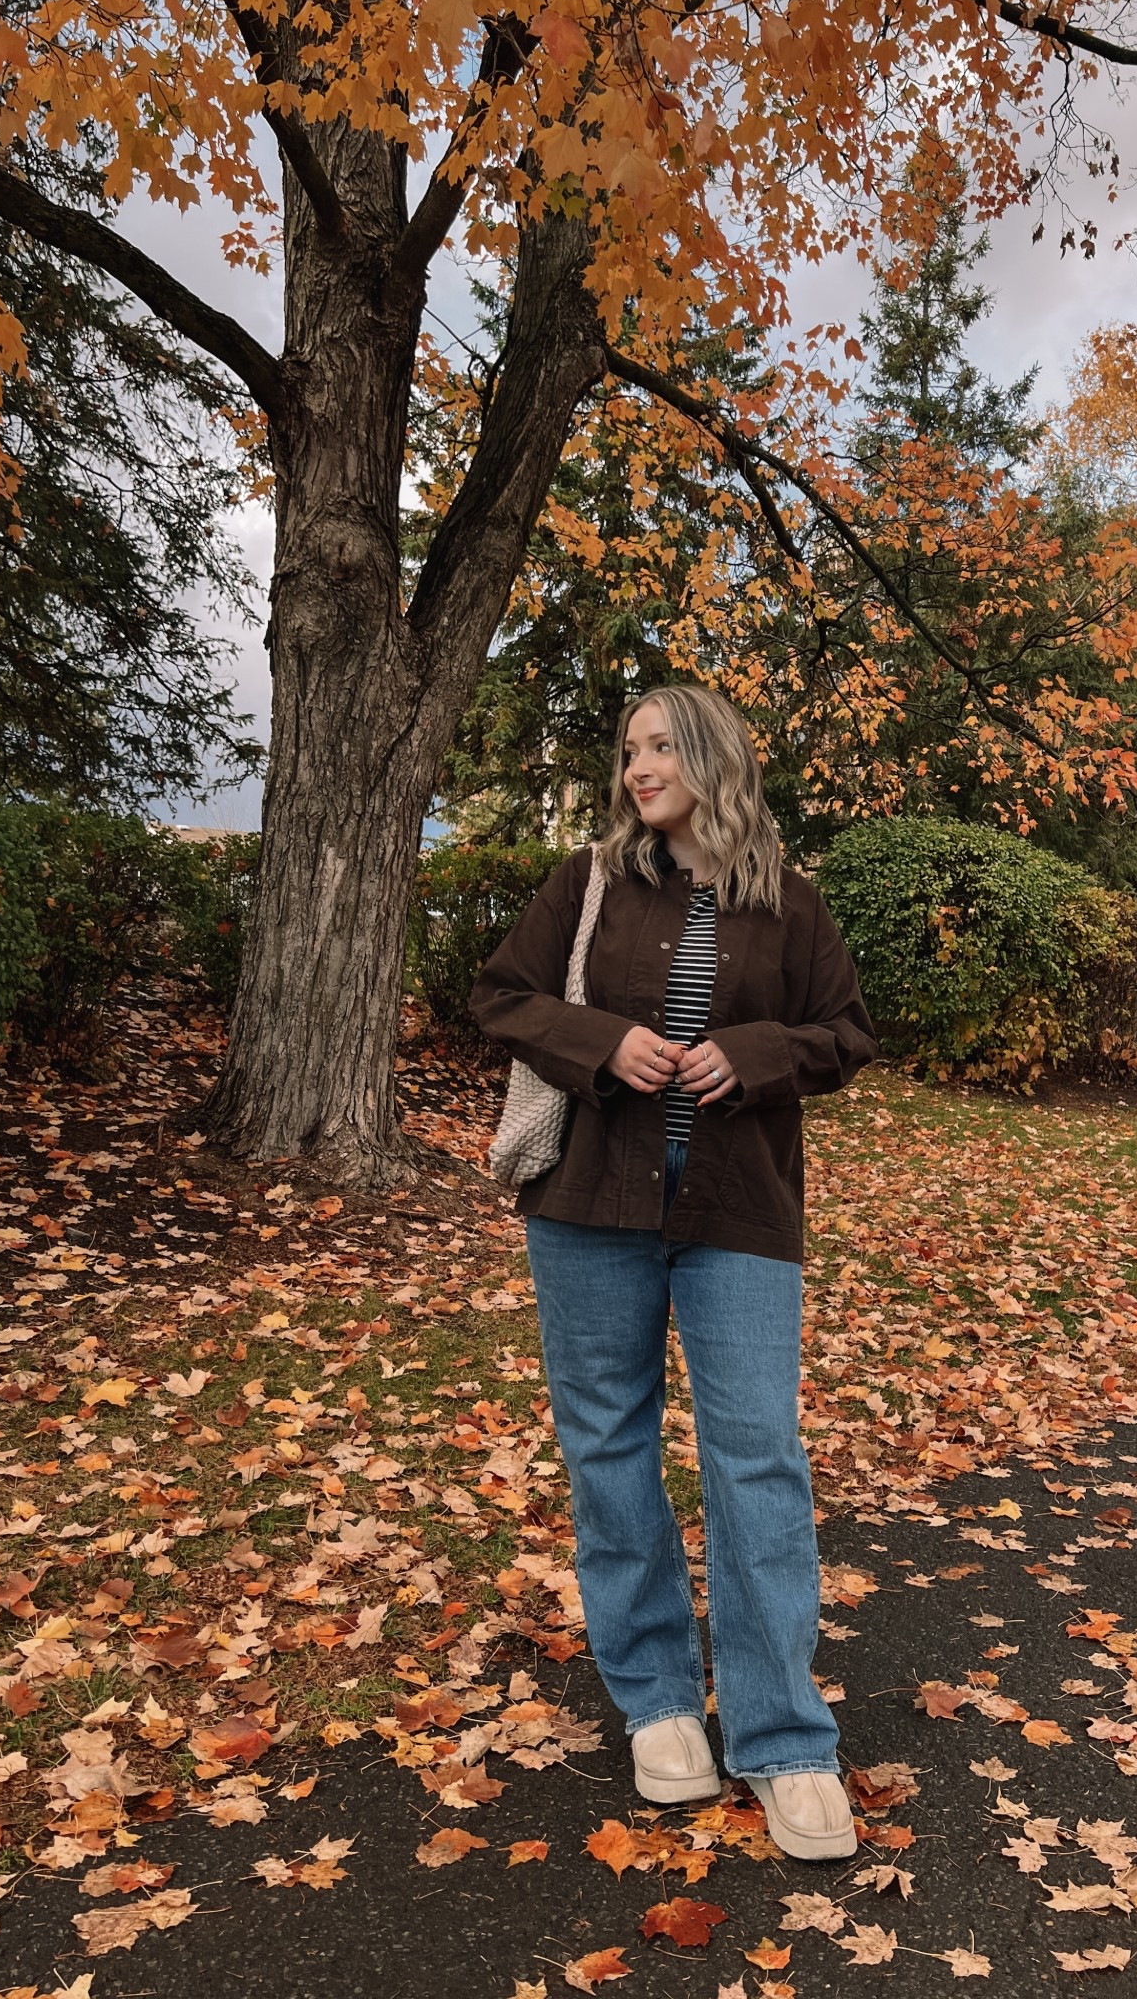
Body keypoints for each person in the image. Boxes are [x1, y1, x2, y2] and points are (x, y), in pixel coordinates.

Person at [469, 683, 878, 1861]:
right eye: (627, 749)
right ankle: (657, 1697)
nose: (636, 767)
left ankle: (785, 1737)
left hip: (739, 1210)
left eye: (658, 745)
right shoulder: (586, 886)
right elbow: (501, 994)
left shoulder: (790, 905)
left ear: (710, 755)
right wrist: (607, 1043)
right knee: (611, 1447)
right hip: (589, 1205)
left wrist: (746, 1056)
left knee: (758, 1454)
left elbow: (846, 1034)